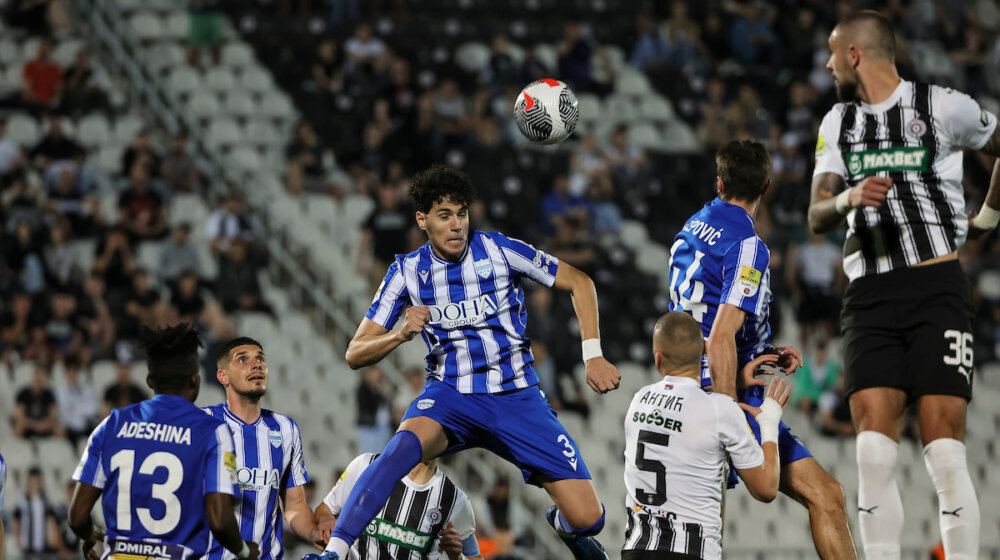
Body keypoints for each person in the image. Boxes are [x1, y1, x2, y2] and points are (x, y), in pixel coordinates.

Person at [307, 164, 621, 560]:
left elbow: (580, 281)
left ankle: (565, 528)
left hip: (516, 397)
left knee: (589, 519)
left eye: (462, 213)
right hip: (451, 396)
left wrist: (592, 355)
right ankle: (334, 553)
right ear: (422, 220)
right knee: (398, 450)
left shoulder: (498, 249)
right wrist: (400, 333)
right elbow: (355, 353)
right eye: (444, 216)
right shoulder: (406, 272)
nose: (457, 225)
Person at [807, 11, 1000, 560]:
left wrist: (986, 220)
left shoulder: (942, 106)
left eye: (831, 51)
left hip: (935, 289)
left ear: (854, 54)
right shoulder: (836, 124)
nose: (825, 63)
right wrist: (848, 197)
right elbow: (817, 215)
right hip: (867, 297)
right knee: (871, 452)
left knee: (943, 451)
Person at [668, 140, 856, 559]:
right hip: (723, 393)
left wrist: (759, 352)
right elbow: (719, 336)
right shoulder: (749, 246)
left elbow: (702, 322)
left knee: (705, 535)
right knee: (827, 497)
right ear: (767, 187)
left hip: (688, 384)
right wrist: (728, 406)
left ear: (719, 183)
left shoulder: (691, 226)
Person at [69, 324, 259, 560]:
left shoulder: (110, 426)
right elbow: (220, 519)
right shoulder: (213, 432)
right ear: (194, 381)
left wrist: (91, 533)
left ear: (150, 381)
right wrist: (243, 551)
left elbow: (77, 517)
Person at [622, 312, 790, 559]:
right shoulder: (720, 410)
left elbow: (684, 409)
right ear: (704, 350)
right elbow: (766, 488)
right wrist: (769, 422)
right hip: (692, 551)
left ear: (658, 357)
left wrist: (736, 382)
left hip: (637, 548)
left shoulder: (639, 400)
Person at [203, 337, 320, 560]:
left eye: (260, 359)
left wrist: (313, 531)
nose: (256, 365)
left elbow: (294, 504)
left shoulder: (286, 429)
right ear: (223, 376)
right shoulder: (202, 423)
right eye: (243, 360)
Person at [314, 455, 482, 560]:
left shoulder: (454, 499)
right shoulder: (365, 466)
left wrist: (457, 557)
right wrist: (325, 521)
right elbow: (325, 509)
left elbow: (475, 556)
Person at [13, 466, 60, 558]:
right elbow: (16, 520)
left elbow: (52, 519)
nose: (35, 483)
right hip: (27, 546)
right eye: (32, 480)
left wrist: (54, 536)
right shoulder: (22, 500)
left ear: (40, 481)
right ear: (28, 481)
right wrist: (18, 538)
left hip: (43, 545)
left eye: (37, 480)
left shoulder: (46, 500)